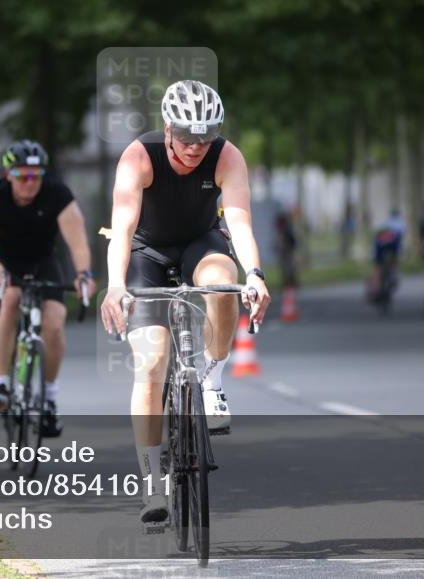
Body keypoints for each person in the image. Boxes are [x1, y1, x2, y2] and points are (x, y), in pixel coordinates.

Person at [99, 80, 271, 526]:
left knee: (223, 283)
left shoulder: (227, 156)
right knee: (152, 361)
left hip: (201, 243)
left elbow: (239, 223)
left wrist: (255, 274)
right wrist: (115, 285)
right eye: (187, 136)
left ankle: (212, 382)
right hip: (146, 253)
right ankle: (151, 482)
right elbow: (122, 228)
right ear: (167, 128)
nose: (196, 147)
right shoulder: (139, 156)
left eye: (206, 137)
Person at [0, 140, 92, 438]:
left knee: (54, 323)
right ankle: (0, 386)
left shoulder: (57, 194)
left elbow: (78, 242)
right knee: (9, 300)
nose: (30, 182)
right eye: (22, 175)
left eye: (36, 175)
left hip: (43, 262)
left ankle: (49, 399)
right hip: (6, 264)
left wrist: (83, 274)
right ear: (9, 174)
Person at [369, 209, 404, 302]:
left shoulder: (387, 222)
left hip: (381, 245)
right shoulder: (401, 222)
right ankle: (394, 275)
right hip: (392, 244)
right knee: (394, 261)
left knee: (378, 268)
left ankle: (376, 288)